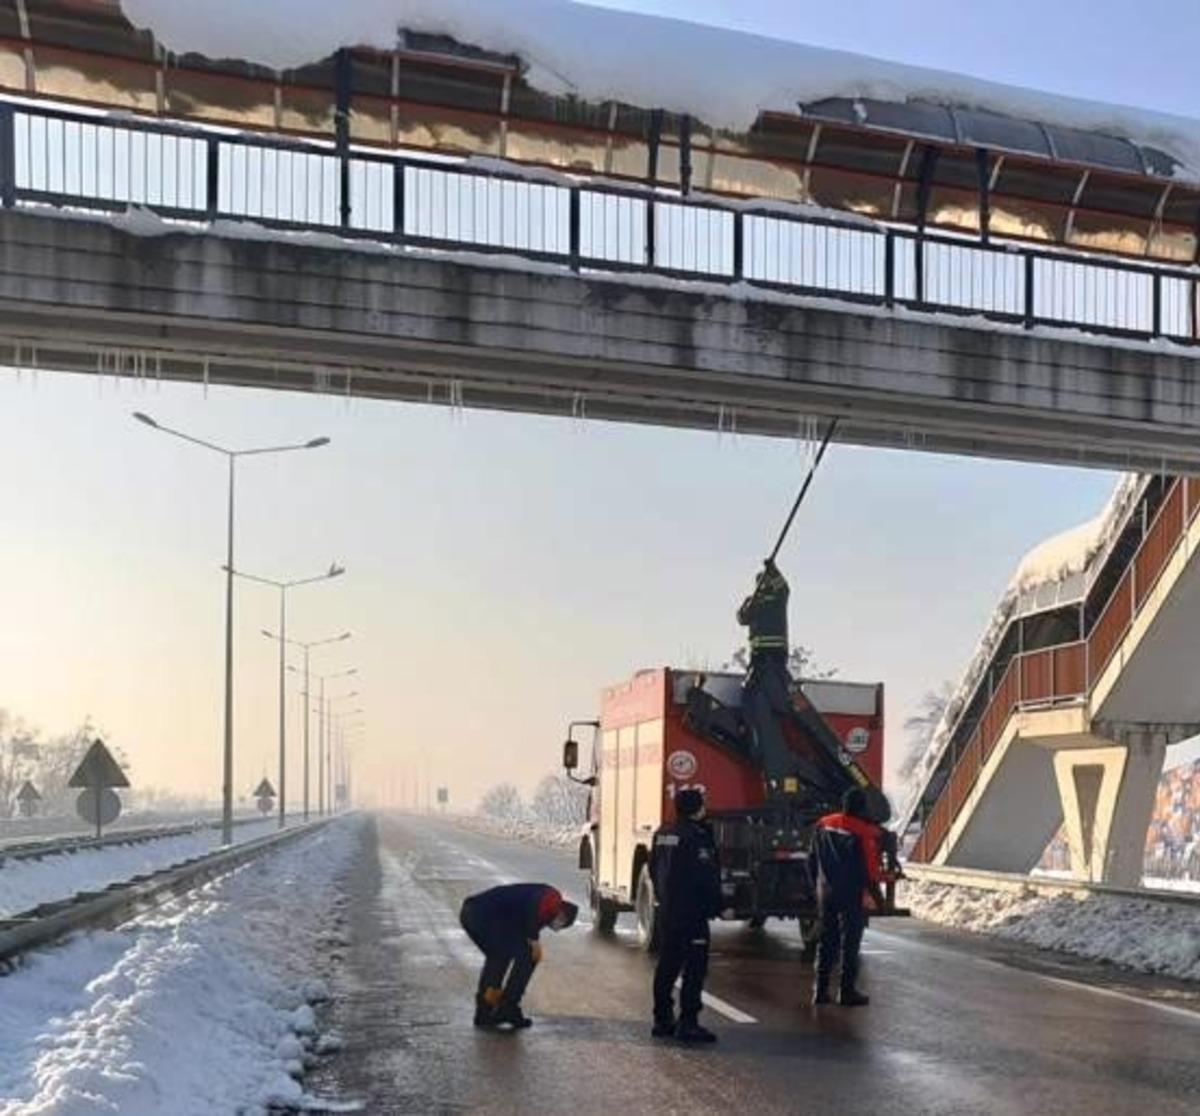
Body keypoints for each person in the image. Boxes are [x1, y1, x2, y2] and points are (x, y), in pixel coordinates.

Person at [649, 787, 723, 1044]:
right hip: (692, 912)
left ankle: (662, 1019)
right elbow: (705, 876)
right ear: (696, 808)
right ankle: (688, 1022)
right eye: (702, 804)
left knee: (667, 965)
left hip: (668, 910)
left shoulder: (662, 833)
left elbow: (652, 868)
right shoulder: (697, 837)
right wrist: (716, 905)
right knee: (694, 969)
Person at [459, 882, 578, 1029]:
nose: (556, 926)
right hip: (484, 916)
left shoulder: (537, 911)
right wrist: (534, 940)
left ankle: (485, 1010)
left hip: (472, 914)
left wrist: (531, 938)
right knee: (527, 956)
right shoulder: (553, 898)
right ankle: (508, 1006)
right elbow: (534, 905)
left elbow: (526, 922)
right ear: (562, 912)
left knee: (499, 957)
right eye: (560, 923)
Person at [811, 786, 887, 1007]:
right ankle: (846, 992)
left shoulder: (823, 824)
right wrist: (879, 901)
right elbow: (871, 872)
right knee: (850, 944)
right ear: (861, 807)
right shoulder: (864, 832)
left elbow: (811, 859)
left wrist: (815, 886)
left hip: (825, 892)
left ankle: (820, 990)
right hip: (851, 895)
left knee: (826, 942)